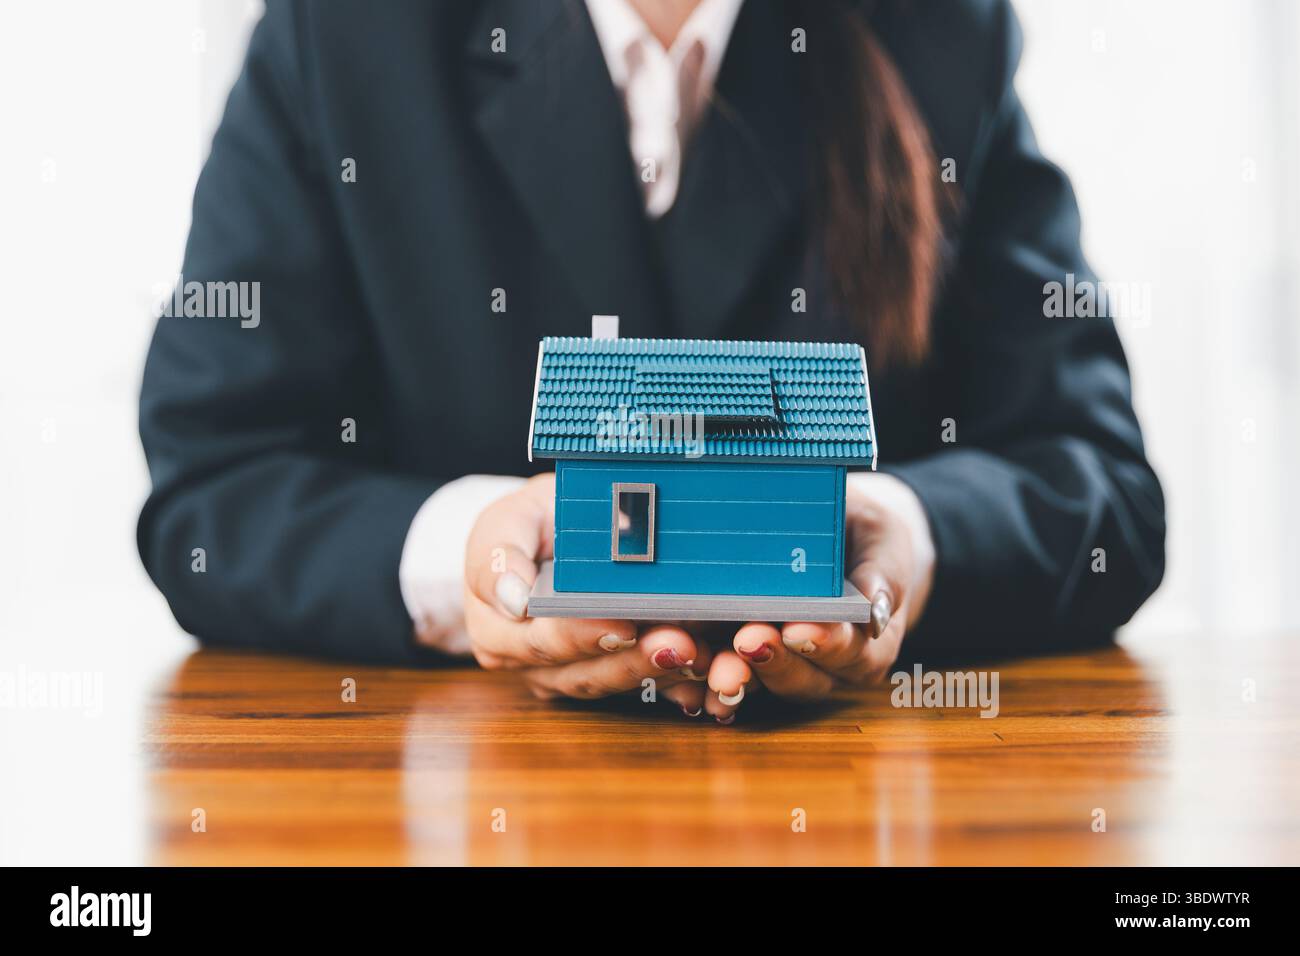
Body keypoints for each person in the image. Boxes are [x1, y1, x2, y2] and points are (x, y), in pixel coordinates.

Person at [138, 0, 1166, 723]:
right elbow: (213, 489)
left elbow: (1103, 491)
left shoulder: (937, 26)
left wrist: (900, 536)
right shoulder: (343, 31)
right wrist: (471, 564)